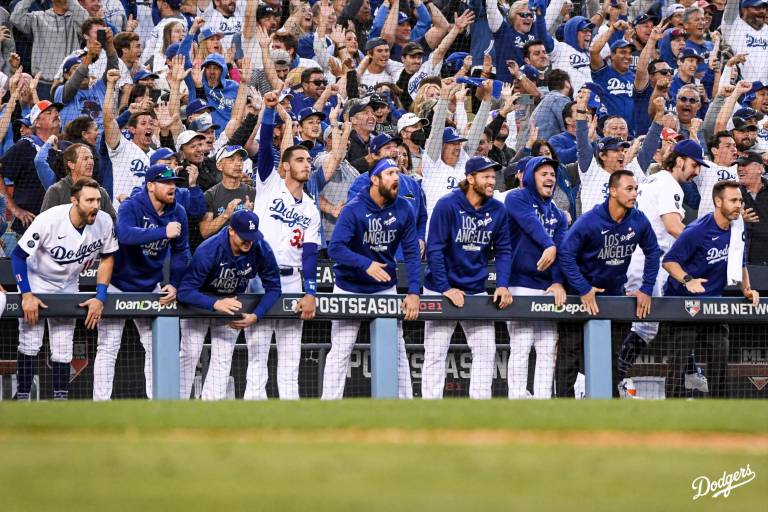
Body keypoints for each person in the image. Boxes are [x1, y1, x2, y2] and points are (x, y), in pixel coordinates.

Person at [321, 158, 421, 400]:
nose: (396, 177)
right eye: (389, 173)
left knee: (397, 350)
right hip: (349, 288)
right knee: (341, 350)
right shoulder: (354, 209)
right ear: (374, 180)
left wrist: (414, 292)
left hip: (384, 288)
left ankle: (408, 406)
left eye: (397, 172)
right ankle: (328, 407)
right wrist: (365, 264)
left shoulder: (404, 209)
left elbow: (412, 253)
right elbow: (335, 248)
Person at [11, 178, 118, 400]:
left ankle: (61, 402)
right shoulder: (49, 220)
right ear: (74, 201)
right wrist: (27, 294)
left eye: (98, 200)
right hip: (37, 281)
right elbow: (18, 256)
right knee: (30, 344)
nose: (96, 205)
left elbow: (107, 258)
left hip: (68, 284)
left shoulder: (104, 221)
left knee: (63, 347)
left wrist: (100, 296)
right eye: (89, 200)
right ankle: (22, 399)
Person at [244, 93, 321, 400]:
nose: (307, 163)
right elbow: (265, 148)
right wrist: (268, 110)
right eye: (300, 159)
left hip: (292, 281)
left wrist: (311, 292)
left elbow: (311, 254)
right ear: (286, 166)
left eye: (308, 160)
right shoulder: (269, 184)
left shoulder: (311, 208)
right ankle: (253, 415)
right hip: (260, 278)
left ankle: (291, 420)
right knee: (257, 356)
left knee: (291, 359)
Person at [615, 139, 706, 397]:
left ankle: (690, 370)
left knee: (673, 312)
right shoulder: (669, 184)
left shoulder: (655, 180)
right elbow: (672, 225)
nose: (696, 171)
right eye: (693, 164)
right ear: (679, 161)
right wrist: (702, 242)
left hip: (651, 259)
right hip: (646, 261)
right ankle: (616, 377)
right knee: (645, 325)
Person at [559, 170, 661, 398]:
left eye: (635, 189)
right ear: (613, 191)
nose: (634, 193)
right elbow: (565, 254)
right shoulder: (589, 221)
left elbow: (653, 252)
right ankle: (563, 407)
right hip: (579, 297)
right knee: (570, 355)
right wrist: (583, 288)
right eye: (629, 189)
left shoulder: (639, 219)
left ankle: (610, 405)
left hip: (614, 297)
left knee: (613, 355)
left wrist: (646, 288)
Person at [93, 165, 191, 401]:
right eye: (166, 183)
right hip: (118, 283)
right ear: (150, 185)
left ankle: (157, 403)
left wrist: (175, 283)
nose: (172, 187)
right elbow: (125, 235)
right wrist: (162, 232)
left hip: (150, 286)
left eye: (174, 183)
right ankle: (100, 404)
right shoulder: (132, 206)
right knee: (108, 347)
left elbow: (181, 252)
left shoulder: (178, 212)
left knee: (157, 347)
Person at [421, 156, 513, 399]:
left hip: (475, 290)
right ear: (470, 178)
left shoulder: (497, 209)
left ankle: (479, 407)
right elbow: (435, 249)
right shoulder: (447, 204)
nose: (492, 181)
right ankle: (430, 409)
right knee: (435, 353)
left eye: (493, 176)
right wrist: (445, 288)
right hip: (440, 289)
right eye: (486, 176)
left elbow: (504, 250)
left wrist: (502, 284)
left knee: (486, 349)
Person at [663, 181, 759, 397]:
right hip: (684, 304)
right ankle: (671, 411)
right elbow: (669, 262)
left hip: (714, 304)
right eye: (734, 200)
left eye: (740, 201)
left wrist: (747, 289)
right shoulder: (697, 230)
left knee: (719, 362)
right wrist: (688, 280)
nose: (739, 205)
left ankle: (719, 409)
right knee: (678, 364)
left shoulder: (737, 228)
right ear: (718, 201)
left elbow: (740, 261)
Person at [178, 209, 282, 400]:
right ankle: (178, 405)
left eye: (252, 236)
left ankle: (211, 408)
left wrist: (256, 315)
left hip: (231, 304)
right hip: (199, 304)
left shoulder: (260, 247)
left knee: (223, 358)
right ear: (231, 231)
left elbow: (274, 287)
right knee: (190, 355)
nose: (249, 241)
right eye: (244, 236)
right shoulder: (208, 250)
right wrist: (214, 303)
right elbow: (184, 291)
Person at [504, 156, 568, 399]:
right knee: (521, 345)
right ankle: (517, 398)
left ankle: (543, 400)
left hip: (545, 287)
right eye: (544, 173)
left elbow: (563, 251)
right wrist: (549, 245)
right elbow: (531, 225)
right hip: (518, 284)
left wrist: (558, 281)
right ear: (530, 176)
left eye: (552, 174)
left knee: (547, 345)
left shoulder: (559, 215)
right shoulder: (516, 198)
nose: (550, 178)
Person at [38, 141, 116, 219]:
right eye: (85, 159)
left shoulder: (101, 192)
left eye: (91, 158)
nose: (90, 162)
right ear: (71, 164)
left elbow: (113, 221)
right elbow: (44, 223)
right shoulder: (56, 191)